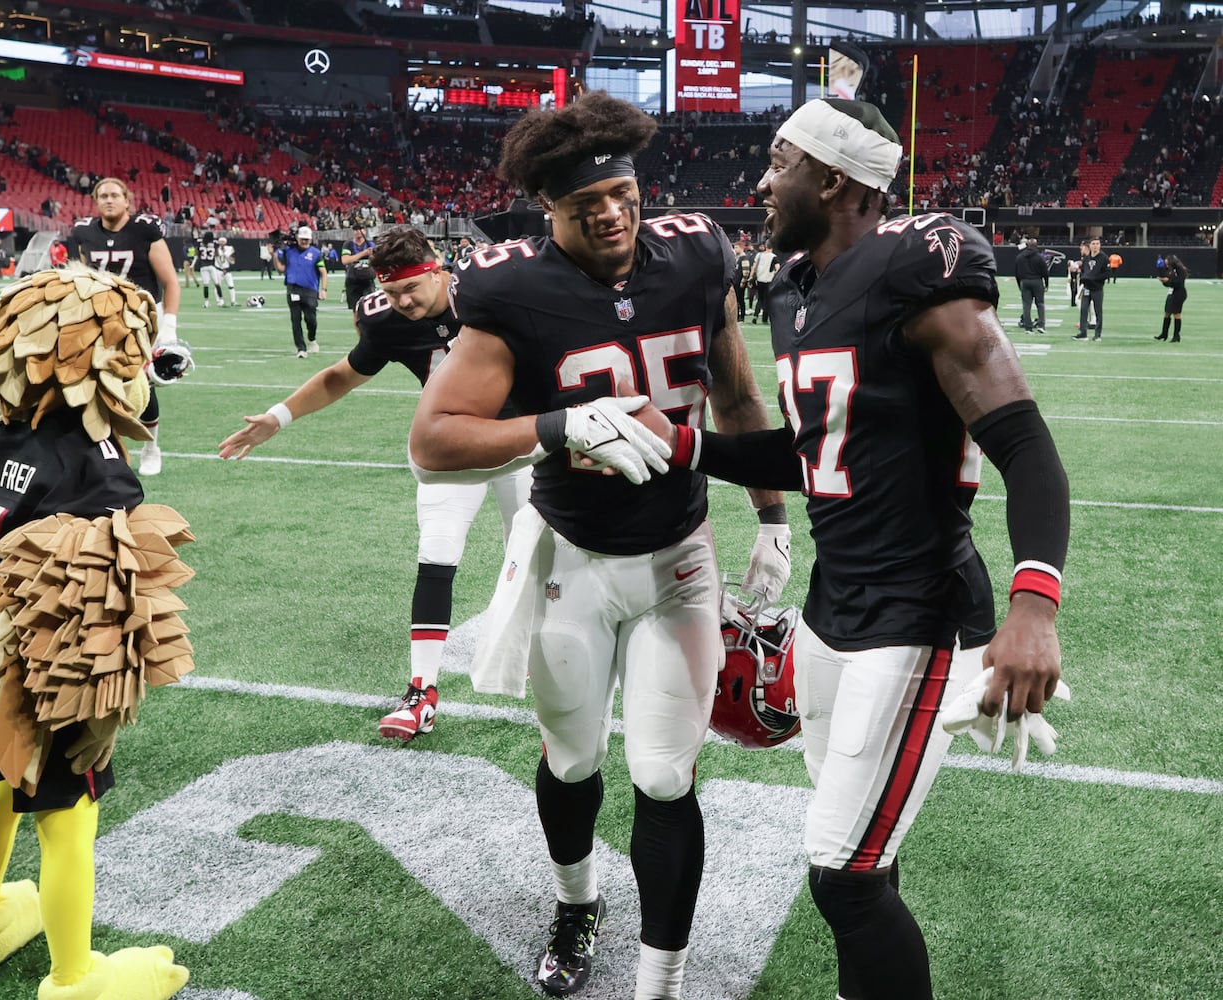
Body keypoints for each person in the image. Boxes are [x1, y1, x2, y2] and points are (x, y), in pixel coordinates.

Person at [626, 97, 1069, 1000]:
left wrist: (1034, 605)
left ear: (834, 180)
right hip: (835, 611)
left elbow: (1026, 446)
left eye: (779, 160)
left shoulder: (917, 278)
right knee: (870, 852)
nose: (761, 178)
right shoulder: (796, 288)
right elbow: (814, 444)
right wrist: (688, 445)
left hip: (918, 616)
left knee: (844, 876)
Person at [407, 91, 790, 1000]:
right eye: (587, 206)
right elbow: (435, 438)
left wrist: (772, 514)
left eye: (623, 193)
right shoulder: (512, 287)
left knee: (665, 775)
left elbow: (735, 397)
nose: (613, 213)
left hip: (679, 559)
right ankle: (576, 903)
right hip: (570, 557)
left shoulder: (698, 255)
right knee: (574, 761)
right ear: (549, 212)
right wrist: (556, 425)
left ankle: (661, 979)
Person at [0, 265, 192, 1000]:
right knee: (70, 812)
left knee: (0, 782)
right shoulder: (91, 462)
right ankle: (76, 975)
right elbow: (102, 585)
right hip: (41, 655)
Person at [218, 225, 530, 741]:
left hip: (523, 436)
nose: (403, 301)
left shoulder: (488, 292)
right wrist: (278, 417)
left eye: (412, 287)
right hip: (452, 442)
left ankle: (531, 652)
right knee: (435, 557)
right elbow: (342, 375)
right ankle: (421, 691)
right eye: (392, 292)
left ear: (437, 268)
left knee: (527, 553)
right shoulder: (384, 320)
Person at [68, 176, 181, 476]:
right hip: (101, 318)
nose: (108, 199)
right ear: (95, 201)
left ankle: (151, 447)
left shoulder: (144, 230)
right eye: (102, 195)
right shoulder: (84, 233)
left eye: (114, 194)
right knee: (93, 382)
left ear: (127, 200)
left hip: (142, 317)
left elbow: (170, 281)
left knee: (139, 382)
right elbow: (80, 277)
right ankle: (102, 449)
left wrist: (169, 326)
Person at [275, 225, 328, 358]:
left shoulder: (316, 253)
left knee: (311, 320)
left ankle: (312, 338)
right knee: (295, 320)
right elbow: (281, 269)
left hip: (310, 290)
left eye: (307, 239)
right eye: (302, 239)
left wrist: (323, 289)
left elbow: (323, 272)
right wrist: (274, 255)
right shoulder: (289, 251)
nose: (304, 241)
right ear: (297, 238)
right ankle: (301, 348)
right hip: (293, 288)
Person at [1074, 236, 1110, 341]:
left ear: (1100, 245)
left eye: (1097, 244)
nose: (1095, 246)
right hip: (1087, 287)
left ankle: (1097, 335)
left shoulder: (1103, 258)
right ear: (1090, 245)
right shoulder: (1087, 258)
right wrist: (1084, 278)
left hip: (1097, 288)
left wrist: (1094, 278)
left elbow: (1107, 273)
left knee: (1098, 311)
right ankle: (1083, 333)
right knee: (1083, 310)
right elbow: (1084, 270)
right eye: (1093, 244)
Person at [1013, 237, 1048, 334]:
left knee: (1026, 305)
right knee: (1040, 304)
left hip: (1025, 281)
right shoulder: (1039, 257)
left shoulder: (1020, 257)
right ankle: (1041, 325)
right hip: (1037, 281)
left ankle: (1028, 327)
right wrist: (1046, 283)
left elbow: (1016, 273)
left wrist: (1019, 284)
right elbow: (1045, 271)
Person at [340, 226, 377, 308]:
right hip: (352, 279)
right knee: (355, 308)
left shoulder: (371, 244)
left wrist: (372, 255)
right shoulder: (348, 244)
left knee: (369, 307)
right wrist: (364, 253)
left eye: (360, 229)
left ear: (365, 231)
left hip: (368, 279)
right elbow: (345, 260)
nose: (358, 231)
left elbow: (378, 260)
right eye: (355, 229)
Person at [1156, 254, 1188, 342]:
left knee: (1176, 314)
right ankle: (1164, 334)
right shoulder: (1171, 270)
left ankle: (1176, 336)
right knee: (1167, 313)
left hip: (1179, 293)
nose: (1166, 265)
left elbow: (1178, 283)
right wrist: (1164, 281)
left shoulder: (1180, 270)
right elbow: (1169, 283)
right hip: (1171, 293)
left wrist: (1168, 281)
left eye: (1167, 263)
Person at [751, 240, 779, 321]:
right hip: (768, 280)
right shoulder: (773, 257)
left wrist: (751, 277)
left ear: (765, 247)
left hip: (760, 280)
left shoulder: (759, 255)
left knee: (760, 299)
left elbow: (754, 267)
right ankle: (764, 318)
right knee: (767, 300)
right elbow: (778, 268)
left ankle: (755, 315)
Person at [196, 232, 225, 308]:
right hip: (211, 266)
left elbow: (197, 255)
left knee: (206, 285)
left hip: (203, 267)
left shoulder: (200, 243)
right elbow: (217, 256)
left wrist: (193, 265)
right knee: (217, 284)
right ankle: (221, 300)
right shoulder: (214, 244)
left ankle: (206, 302)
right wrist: (222, 267)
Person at [214, 235, 238, 307]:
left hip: (227, 269)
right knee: (218, 286)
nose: (222, 243)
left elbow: (232, 261)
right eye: (220, 241)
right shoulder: (216, 250)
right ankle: (219, 301)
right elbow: (218, 260)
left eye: (223, 241)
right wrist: (222, 268)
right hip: (219, 270)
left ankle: (233, 301)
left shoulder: (229, 249)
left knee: (231, 285)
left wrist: (228, 256)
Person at [1066, 241, 1086, 307]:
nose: (1080, 248)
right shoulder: (1082, 256)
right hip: (1077, 275)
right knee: (1075, 289)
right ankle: (1074, 301)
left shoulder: (1087, 256)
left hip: (1086, 278)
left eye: (1082, 246)